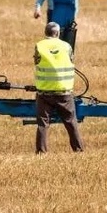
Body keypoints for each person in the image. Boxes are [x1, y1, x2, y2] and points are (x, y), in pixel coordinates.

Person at [33, 21, 84, 154]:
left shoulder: (39, 46)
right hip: (64, 92)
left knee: (42, 124)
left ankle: (41, 152)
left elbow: (36, 61)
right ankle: (78, 150)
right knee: (71, 122)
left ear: (45, 33)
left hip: (44, 93)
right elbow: (71, 60)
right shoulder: (67, 46)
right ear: (58, 33)